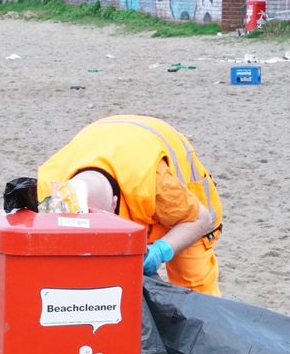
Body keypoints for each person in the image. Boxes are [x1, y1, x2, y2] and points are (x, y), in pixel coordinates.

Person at [38, 115, 223, 296]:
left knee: (195, 289)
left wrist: (160, 251)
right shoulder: (53, 194)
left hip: (186, 214)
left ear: (114, 202)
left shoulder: (155, 182)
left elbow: (200, 219)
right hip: (114, 143)